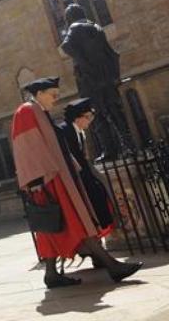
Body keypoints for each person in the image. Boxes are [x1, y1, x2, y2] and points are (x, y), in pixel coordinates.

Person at [11, 77, 141, 288]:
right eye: (53, 94)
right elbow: (26, 148)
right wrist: (37, 182)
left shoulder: (39, 111)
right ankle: (111, 266)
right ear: (40, 93)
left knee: (58, 227)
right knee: (70, 223)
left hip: (58, 178)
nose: (56, 98)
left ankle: (53, 274)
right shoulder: (26, 111)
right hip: (48, 181)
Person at [60, 3, 134, 160]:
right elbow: (110, 53)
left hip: (90, 80)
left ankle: (109, 151)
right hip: (106, 78)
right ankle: (129, 146)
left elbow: (66, 46)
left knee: (96, 114)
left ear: (70, 18)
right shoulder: (95, 26)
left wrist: (82, 61)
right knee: (115, 112)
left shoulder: (74, 27)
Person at [61, 98, 116, 243]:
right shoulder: (65, 130)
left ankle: (100, 233)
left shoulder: (79, 131)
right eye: (87, 117)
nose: (90, 121)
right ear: (78, 117)